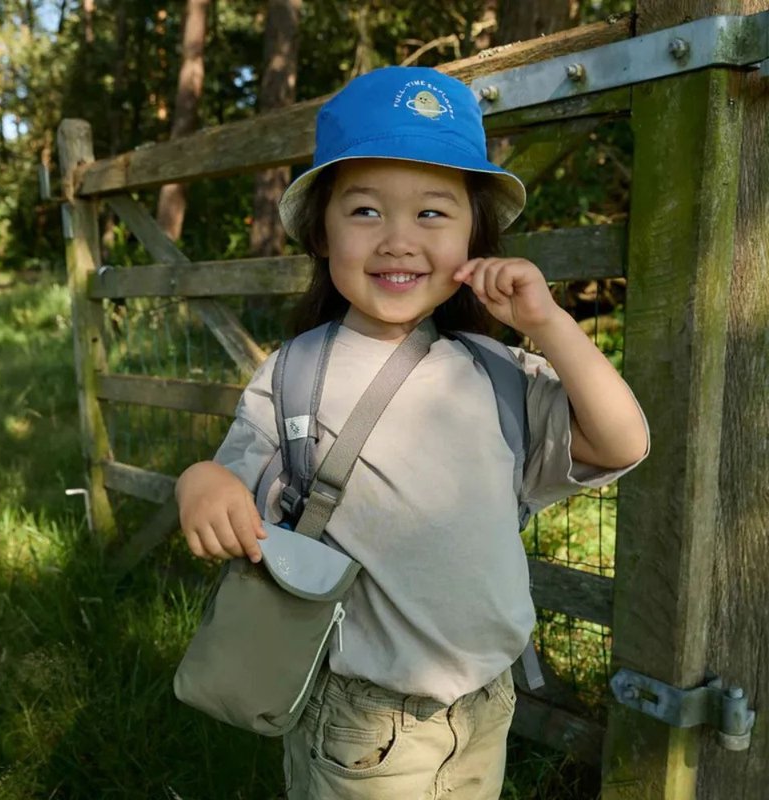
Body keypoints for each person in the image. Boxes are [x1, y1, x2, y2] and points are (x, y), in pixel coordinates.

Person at [175, 66, 649, 800]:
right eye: (365, 211)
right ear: (321, 234)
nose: (398, 239)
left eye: (432, 214)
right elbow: (231, 480)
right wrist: (200, 482)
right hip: (363, 723)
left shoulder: (498, 373)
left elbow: (623, 442)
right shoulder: (293, 374)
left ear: (473, 234)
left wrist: (550, 325)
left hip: (486, 707)